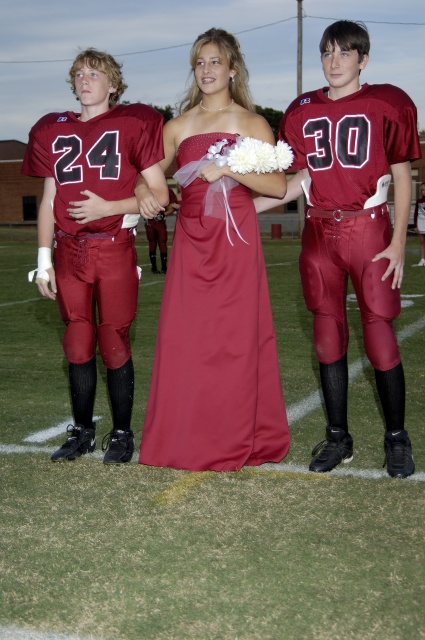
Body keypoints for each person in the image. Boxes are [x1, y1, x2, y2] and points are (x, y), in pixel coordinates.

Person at [255, 20, 421, 478]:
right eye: (327, 52)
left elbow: (402, 174)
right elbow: (298, 180)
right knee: (327, 336)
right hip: (319, 232)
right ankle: (337, 438)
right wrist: (245, 207)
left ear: (363, 59)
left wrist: (399, 241)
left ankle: (397, 438)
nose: (334, 61)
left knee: (380, 338)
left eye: (344, 52)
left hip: (369, 230)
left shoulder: (387, 101)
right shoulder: (302, 109)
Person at [135, 27, 291, 471]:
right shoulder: (177, 126)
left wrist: (228, 169)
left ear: (232, 69)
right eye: (200, 63)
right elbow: (148, 175)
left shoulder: (253, 123)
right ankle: (185, 435)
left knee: (235, 339)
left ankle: (234, 436)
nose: (206, 70)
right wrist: (142, 190)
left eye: (215, 62)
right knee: (187, 339)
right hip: (191, 240)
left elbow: (278, 186)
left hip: (236, 240)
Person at [22, 48, 168, 464]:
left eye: (95, 73)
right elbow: (49, 199)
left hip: (112, 247)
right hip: (68, 251)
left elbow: (160, 196)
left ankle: (122, 433)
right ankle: (82, 431)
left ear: (114, 84)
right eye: (80, 74)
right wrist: (44, 261)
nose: (85, 80)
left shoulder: (133, 122)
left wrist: (109, 207)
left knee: (113, 340)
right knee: (77, 341)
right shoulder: (52, 129)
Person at [145, 187, 179, 274]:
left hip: (160, 222)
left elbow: (173, 206)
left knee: (162, 242)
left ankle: (164, 267)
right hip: (150, 221)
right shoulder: (146, 189)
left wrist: (164, 214)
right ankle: (154, 267)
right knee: (152, 242)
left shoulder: (167, 189)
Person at [412, 182, 425, 266]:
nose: (424, 191)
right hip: (420, 222)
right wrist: (415, 225)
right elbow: (415, 213)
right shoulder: (419, 201)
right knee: (422, 241)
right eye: (422, 190)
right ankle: (422, 260)